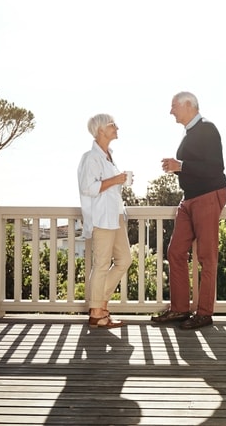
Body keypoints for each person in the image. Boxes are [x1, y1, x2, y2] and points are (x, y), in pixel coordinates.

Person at [151, 92, 226, 330]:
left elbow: (215, 168)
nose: (171, 111)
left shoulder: (207, 129)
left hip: (207, 195)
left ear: (188, 106)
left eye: (174, 106)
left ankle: (204, 313)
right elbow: (195, 167)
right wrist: (177, 168)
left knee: (206, 256)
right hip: (190, 199)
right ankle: (180, 309)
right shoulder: (190, 133)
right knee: (175, 251)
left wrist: (181, 166)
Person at [77, 113, 133, 329]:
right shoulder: (90, 158)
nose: (116, 127)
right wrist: (116, 179)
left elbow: (108, 187)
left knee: (124, 260)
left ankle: (99, 305)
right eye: (112, 125)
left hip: (116, 216)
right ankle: (97, 313)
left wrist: (120, 182)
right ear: (100, 130)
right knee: (101, 265)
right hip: (101, 218)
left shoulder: (109, 155)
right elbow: (88, 187)